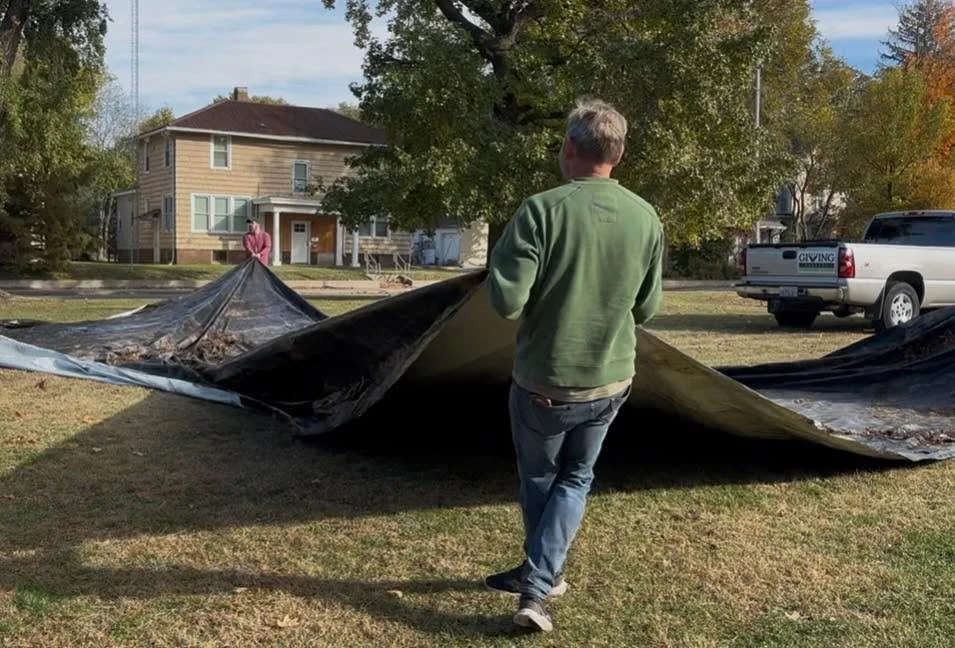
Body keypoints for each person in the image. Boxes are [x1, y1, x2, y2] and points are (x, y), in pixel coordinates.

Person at [484, 97, 664, 633]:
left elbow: (506, 303)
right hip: (611, 379)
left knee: (542, 477)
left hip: (545, 380)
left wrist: (501, 264)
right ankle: (544, 571)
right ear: (619, 155)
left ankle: (537, 587)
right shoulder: (646, 217)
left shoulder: (540, 211)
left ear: (568, 147)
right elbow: (647, 308)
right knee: (577, 478)